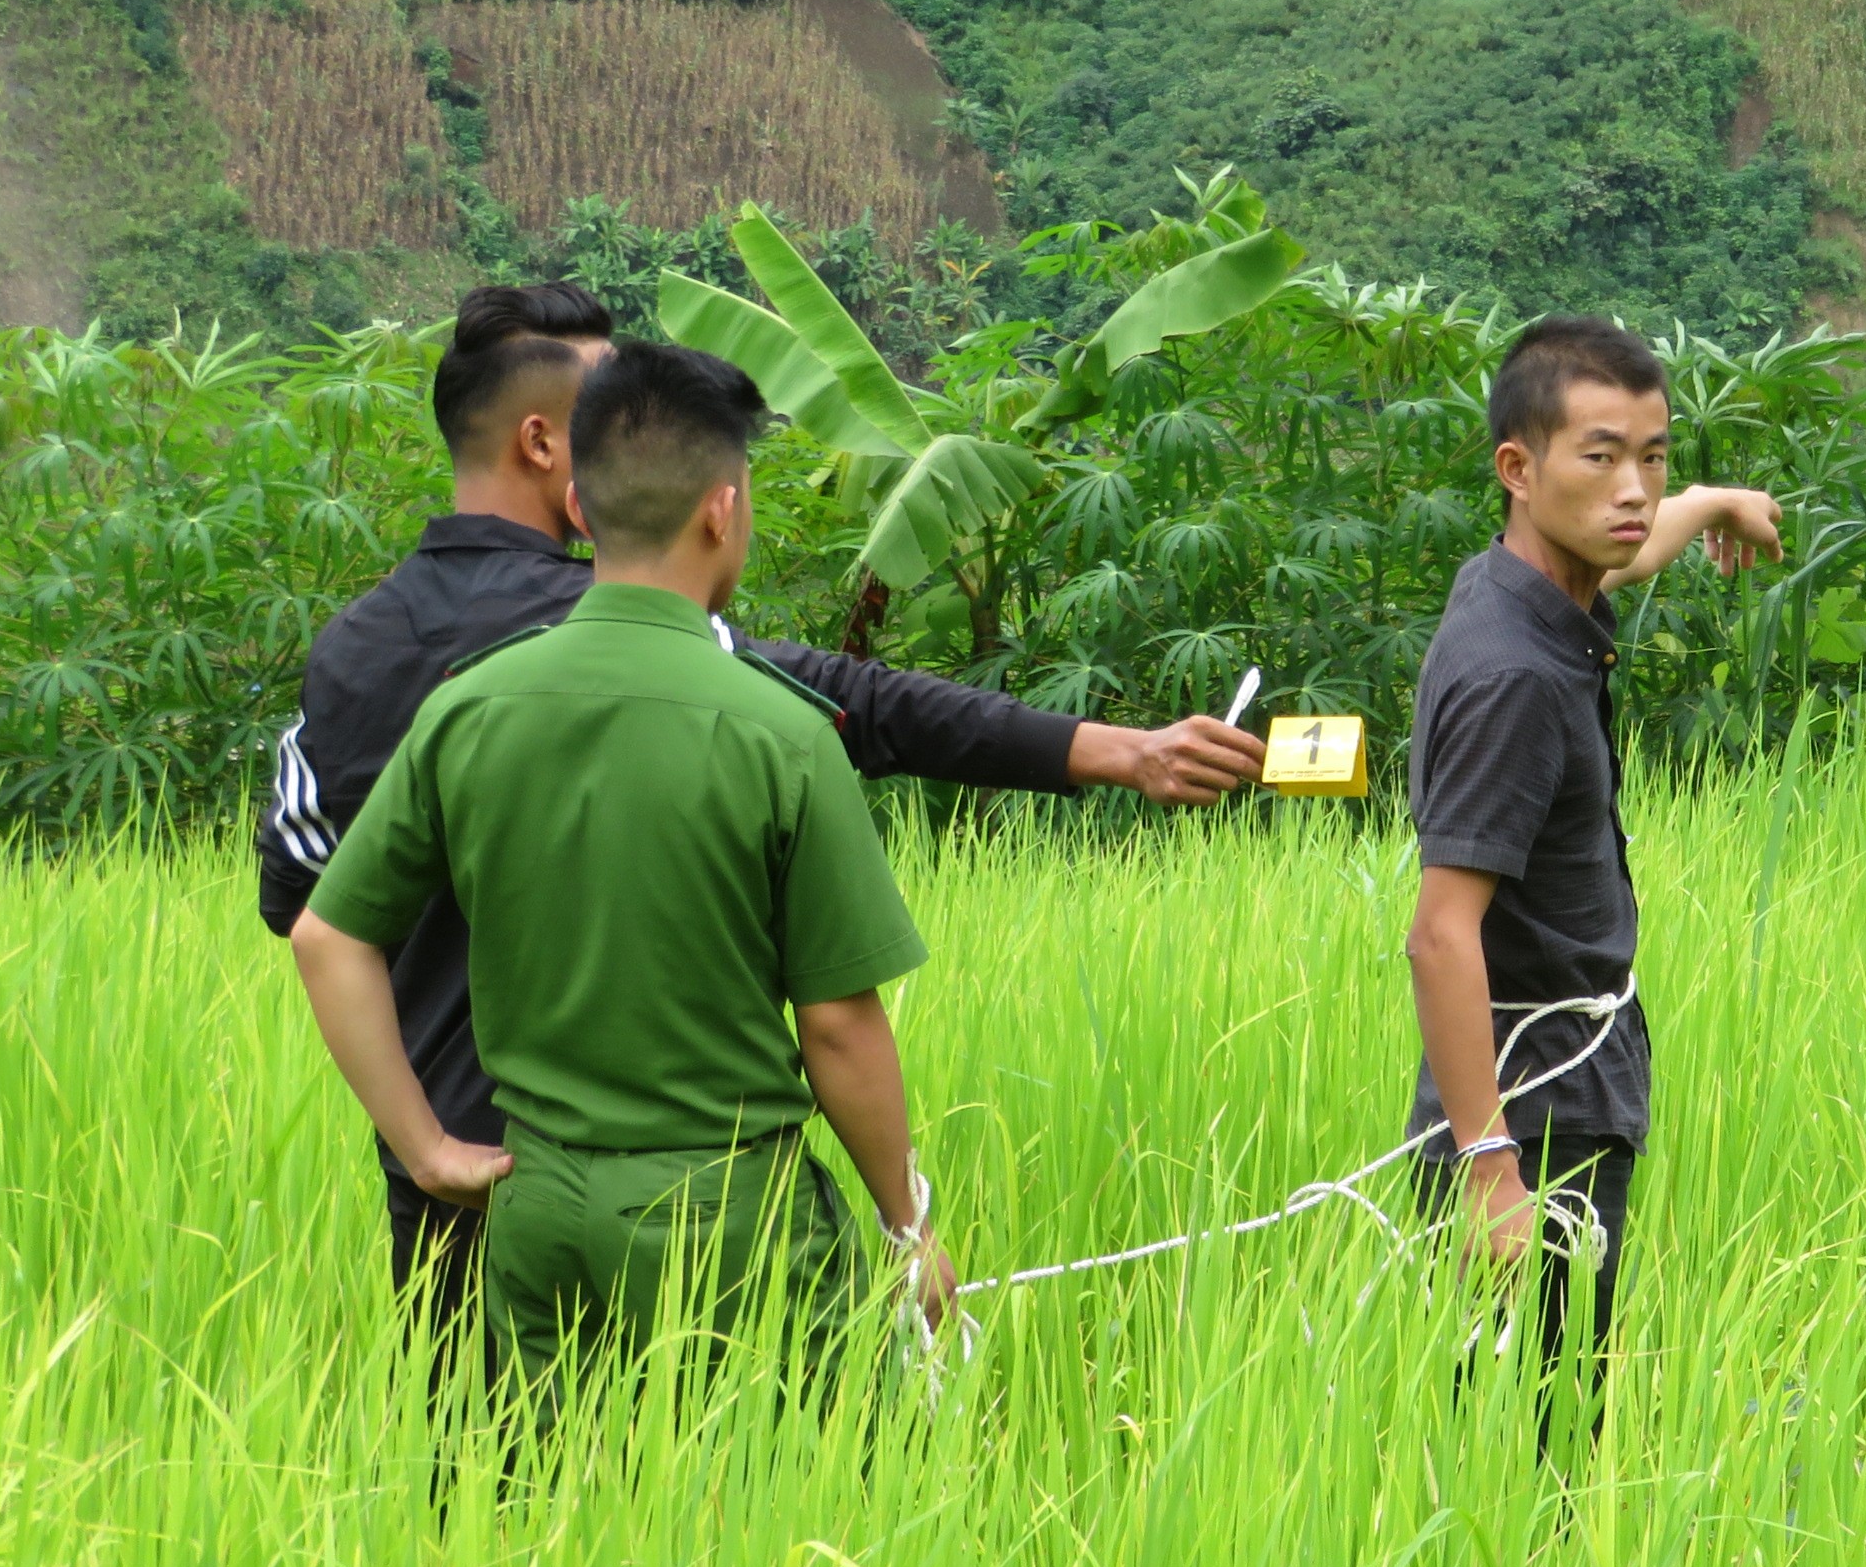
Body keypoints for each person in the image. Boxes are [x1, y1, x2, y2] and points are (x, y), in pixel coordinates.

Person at [258, 281, 1264, 1346]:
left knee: (494, 1487)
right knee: (735, 1477)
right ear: (554, 445)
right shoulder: (661, 652)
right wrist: (1113, 750)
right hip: (661, 1184)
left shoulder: (351, 654)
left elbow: (303, 903)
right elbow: (861, 711)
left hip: (453, 1182)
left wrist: (421, 1139)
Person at [292, 341, 956, 1395]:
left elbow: (328, 935)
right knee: (809, 1520)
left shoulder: (469, 706)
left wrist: (425, 1149)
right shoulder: (781, 734)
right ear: (722, 509)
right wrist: (903, 1225)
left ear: (588, 511)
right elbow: (836, 1024)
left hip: (536, 1209)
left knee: (552, 1525)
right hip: (729, 1223)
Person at [1401, 316, 1780, 1449]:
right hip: (1532, 1103)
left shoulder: (1528, 582)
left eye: (1654, 457)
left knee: (1549, 1400)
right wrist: (1489, 1169)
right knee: (1538, 1439)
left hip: (1553, 1078)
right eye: (1602, 455)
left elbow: (1633, 539)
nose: (1634, 489)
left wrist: (1712, 503)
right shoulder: (1514, 676)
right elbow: (1438, 935)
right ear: (1518, 470)